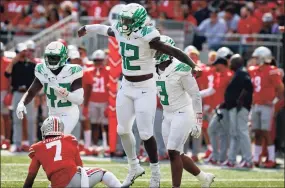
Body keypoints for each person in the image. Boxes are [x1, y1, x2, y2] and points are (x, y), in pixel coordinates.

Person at [78, 3, 201, 187]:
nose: (124, 24)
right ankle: (134, 166)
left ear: (139, 22)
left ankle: (155, 174)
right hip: (127, 85)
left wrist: (192, 65)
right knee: (123, 130)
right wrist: (87, 28)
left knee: (145, 133)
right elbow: (106, 29)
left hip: (145, 87)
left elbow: (173, 51)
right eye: (124, 20)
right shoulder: (120, 30)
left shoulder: (148, 37)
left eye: (128, 20)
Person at [155, 35, 215, 188]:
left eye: (157, 50)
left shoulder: (179, 68)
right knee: (176, 154)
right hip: (167, 114)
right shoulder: (154, 68)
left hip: (183, 112)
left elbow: (195, 95)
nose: (154, 53)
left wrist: (198, 121)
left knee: (173, 151)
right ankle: (204, 178)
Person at [23, 116, 122, 188]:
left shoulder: (37, 148)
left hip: (57, 184)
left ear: (44, 131)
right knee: (103, 173)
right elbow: (79, 166)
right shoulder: (69, 139)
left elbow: (30, 177)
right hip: (76, 180)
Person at [15, 41, 83, 137]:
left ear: (63, 57)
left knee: (57, 139)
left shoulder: (73, 71)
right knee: (49, 142)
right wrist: (21, 103)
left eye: (55, 57)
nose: (51, 60)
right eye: (49, 57)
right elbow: (31, 92)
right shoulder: (42, 69)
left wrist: (67, 94)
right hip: (52, 113)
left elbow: (79, 100)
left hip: (69, 113)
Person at [248, 46, 284, 168]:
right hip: (256, 105)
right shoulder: (253, 70)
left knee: (266, 133)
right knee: (257, 132)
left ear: (264, 58)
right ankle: (256, 158)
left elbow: (280, 90)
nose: (255, 60)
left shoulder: (272, 70)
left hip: (266, 106)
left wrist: (273, 102)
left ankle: (272, 159)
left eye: (257, 57)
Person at [201, 47, 233, 165]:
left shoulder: (229, 75)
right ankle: (217, 155)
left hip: (226, 108)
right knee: (213, 130)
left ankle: (221, 157)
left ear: (222, 64)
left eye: (217, 64)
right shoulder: (220, 75)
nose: (215, 67)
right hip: (219, 108)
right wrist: (197, 94)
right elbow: (213, 90)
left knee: (223, 133)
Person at [222, 54, 253, 168]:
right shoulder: (239, 73)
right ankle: (231, 159)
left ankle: (248, 160)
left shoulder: (242, 72)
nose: (229, 64)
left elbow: (248, 87)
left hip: (240, 108)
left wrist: (240, 102)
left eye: (232, 62)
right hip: (234, 107)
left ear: (237, 63)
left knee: (242, 132)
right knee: (235, 134)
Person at [4, 43, 36, 152]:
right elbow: (7, 74)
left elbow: (38, 79)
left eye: (24, 51)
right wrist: (13, 61)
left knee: (31, 119)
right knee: (17, 120)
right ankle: (17, 143)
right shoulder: (14, 64)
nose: (23, 53)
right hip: (17, 93)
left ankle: (32, 144)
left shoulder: (31, 65)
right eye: (21, 51)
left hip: (28, 94)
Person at [83, 49, 109, 149]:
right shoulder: (88, 72)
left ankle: (106, 145)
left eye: (100, 60)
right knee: (94, 123)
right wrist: (85, 105)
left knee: (106, 124)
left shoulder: (109, 71)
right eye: (96, 60)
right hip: (93, 101)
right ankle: (94, 145)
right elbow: (86, 89)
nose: (98, 62)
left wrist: (111, 104)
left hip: (105, 101)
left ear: (103, 60)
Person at [0, 42, 12, 150]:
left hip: (4, 91)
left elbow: (11, 79)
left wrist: (9, 93)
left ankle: (7, 140)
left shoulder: (8, 62)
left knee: (6, 117)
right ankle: (2, 139)